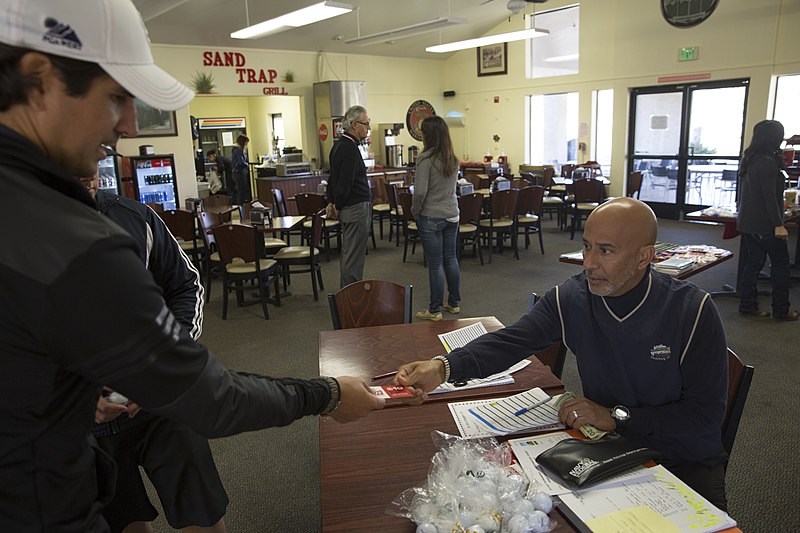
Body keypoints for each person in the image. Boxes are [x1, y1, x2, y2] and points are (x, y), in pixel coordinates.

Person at [0, 1, 384, 531]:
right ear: (39, 80)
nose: (129, 127)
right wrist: (330, 393)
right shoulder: (70, 240)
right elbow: (212, 398)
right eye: (115, 98)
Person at [395, 198, 730, 511]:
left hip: (683, 459)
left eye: (605, 251)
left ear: (644, 257)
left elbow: (704, 417)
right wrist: (443, 367)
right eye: (586, 246)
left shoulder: (692, 311)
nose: (589, 264)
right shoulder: (573, 298)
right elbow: (511, 341)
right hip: (610, 447)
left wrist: (615, 416)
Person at [78, 174, 228, 533]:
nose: (90, 169)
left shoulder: (134, 217)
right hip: (84, 422)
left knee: (202, 511)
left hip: (161, 401)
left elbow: (185, 285)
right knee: (124, 518)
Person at [736, 119, 799, 321]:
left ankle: (747, 305)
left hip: (748, 222)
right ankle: (781, 310)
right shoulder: (767, 162)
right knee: (781, 263)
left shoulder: (750, 158)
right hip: (765, 224)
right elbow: (769, 197)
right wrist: (778, 224)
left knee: (753, 263)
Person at [411, 116, 461, 321]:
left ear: (428, 135)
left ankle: (435, 309)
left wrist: (415, 211)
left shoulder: (425, 160)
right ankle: (454, 303)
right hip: (452, 214)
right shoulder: (452, 158)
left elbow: (420, 192)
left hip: (431, 216)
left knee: (435, 263)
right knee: (450, 259)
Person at [326, 105, 372, 288]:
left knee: (350, 255)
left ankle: (349, 298)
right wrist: (337, 204)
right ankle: (350, 302)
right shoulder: (349, 149)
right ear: (353, 124)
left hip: (350, 207)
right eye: (365, 123)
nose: (368, 127)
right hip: (354, 209)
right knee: (353, 259)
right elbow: (344, 183)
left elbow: (332, 179)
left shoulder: (340, 145)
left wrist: (332, 201)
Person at [231, 134, 251, 204]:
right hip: (238, 173)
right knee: (241, 191)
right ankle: (241, 206)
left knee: (241, 190)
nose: (246, 145)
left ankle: (241, 205)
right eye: (246, 143)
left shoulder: (236, 150)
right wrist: (248, 165)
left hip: (236, 172)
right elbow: (241, 162)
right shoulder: (238, 150)